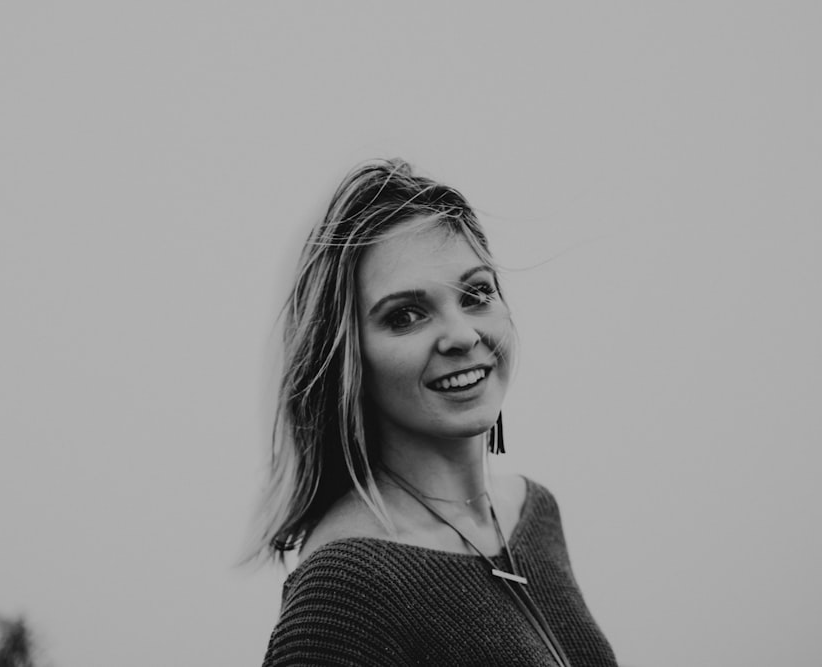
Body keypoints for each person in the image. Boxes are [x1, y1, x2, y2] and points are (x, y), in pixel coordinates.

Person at [249, 159, 617, 666]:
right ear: (347, 358)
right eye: (405, 315)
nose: (463, 335)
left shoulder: (534, 514)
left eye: (476, 293)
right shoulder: (343, 591)